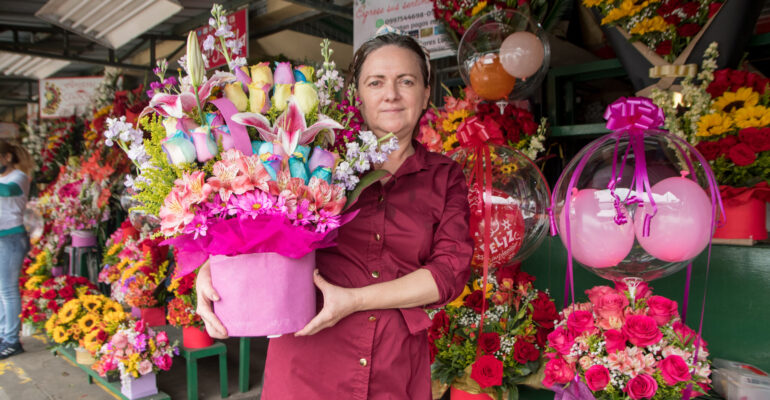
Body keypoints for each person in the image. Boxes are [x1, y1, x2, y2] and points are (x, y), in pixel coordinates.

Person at [196, 32, 473, 399]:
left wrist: (355, 300)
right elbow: (253, 226)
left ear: (425, 94)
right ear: (358, 95)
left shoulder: (444, 176)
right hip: (308, 363)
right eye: (376, 82)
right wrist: (210, 269)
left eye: (406, 81)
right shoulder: (312, 159)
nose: (391, 94)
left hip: (394, 370)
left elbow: (449, 274)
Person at [0, 141, 32, 359]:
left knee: (8, 291)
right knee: (2, 292)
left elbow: (9, 191)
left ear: (7, 157)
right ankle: (4, 335)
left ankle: (12, 340)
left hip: (12, 239)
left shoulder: (18, 176)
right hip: (4, 238)